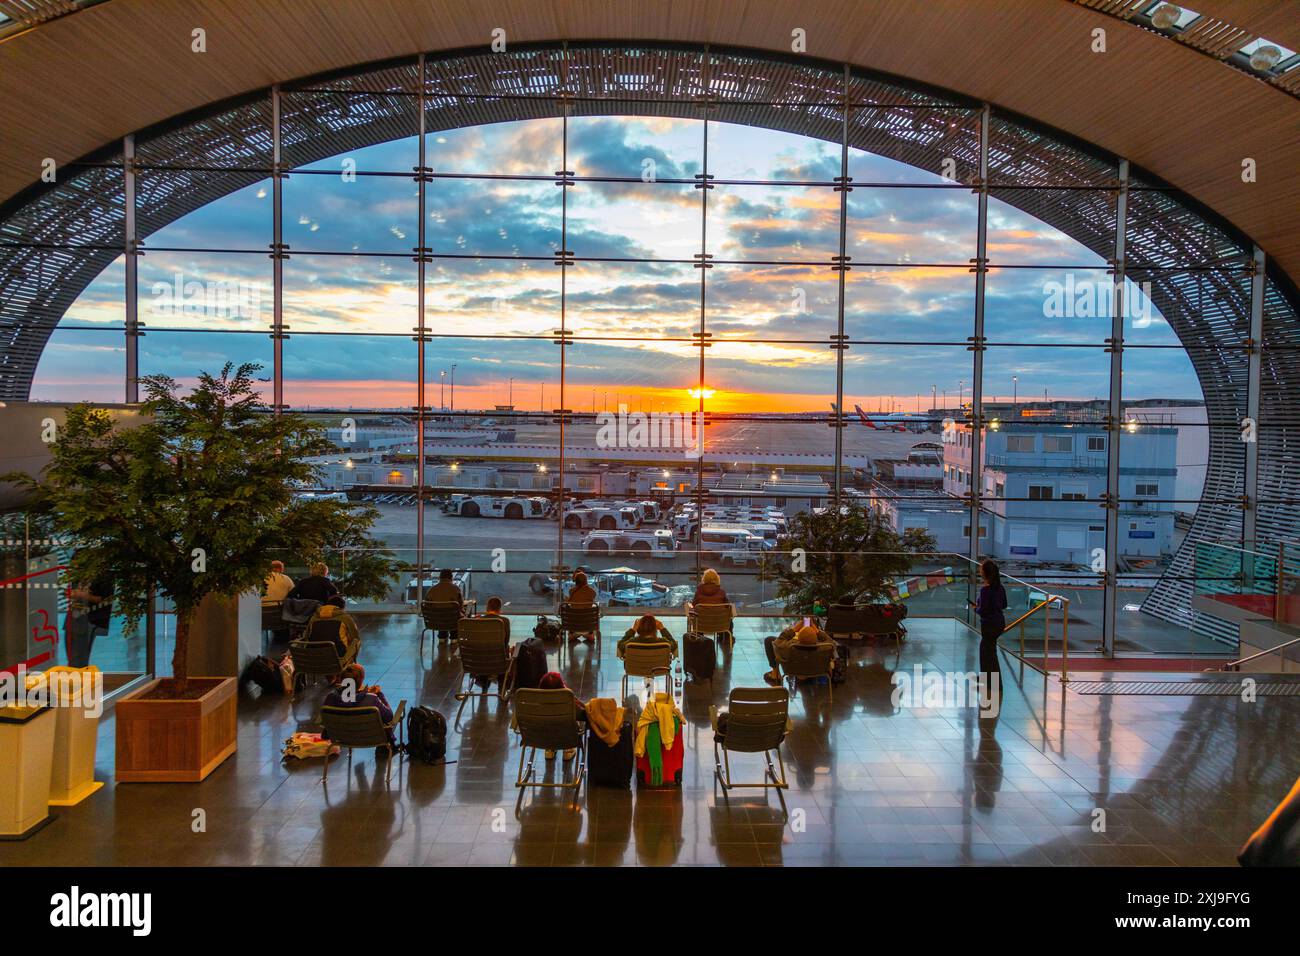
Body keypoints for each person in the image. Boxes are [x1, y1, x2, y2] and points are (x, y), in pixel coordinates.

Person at [322, 663, 395, 755]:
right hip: (371, 737)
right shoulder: (372, 699)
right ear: (361, 681)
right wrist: (379, 694)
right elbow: (389, 717)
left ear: (341, 680)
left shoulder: (331, 699)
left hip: (340, 738)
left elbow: (324, 721)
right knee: (384, 720)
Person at [971, 559, 1007, 715]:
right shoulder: (1000, 588)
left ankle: (994, 682)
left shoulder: (985, 590)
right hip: (999, 623)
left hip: (989, 624)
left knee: (987, 651)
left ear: (985, 573)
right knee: (988, 650)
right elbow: (1003, 605)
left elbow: (983, 610)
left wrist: (976, 608)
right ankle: (988, 679)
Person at [762, 619, 842, 686]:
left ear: (798, 638)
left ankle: (775, 674)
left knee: (769, 640)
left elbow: (778, 641)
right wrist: (817, 631)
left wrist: (794, 629)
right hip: (817, 670)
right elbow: (832, 642)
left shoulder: (789, 647)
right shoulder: (825, 647)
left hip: (794, 670)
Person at [66, 573, 113, 668]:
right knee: (72, 655)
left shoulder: (103, 575)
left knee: (80, 656)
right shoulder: (78, 574)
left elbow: (107, 599)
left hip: (90, 619)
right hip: (75, 617)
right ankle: (74, 676)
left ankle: (78, 677)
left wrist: (83, 595)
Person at [538, 671, 584, 761]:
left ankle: (549, 750)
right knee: (573, 719)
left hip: (542, 736)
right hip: (566, 736)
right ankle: (568, 750)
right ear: (561, 686)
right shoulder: (568, 700)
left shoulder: (533, 702)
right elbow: (582, 714)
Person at [426, 567, 464, 641]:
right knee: (455, 613)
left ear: (440, 577)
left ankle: (442, 636)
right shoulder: (455, 589)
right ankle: (454, 636)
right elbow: (460, 605)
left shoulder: (432, 589)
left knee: (441, 613)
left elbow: (427, 604)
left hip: (435, 620)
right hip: (452, 620)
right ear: (451, 577)